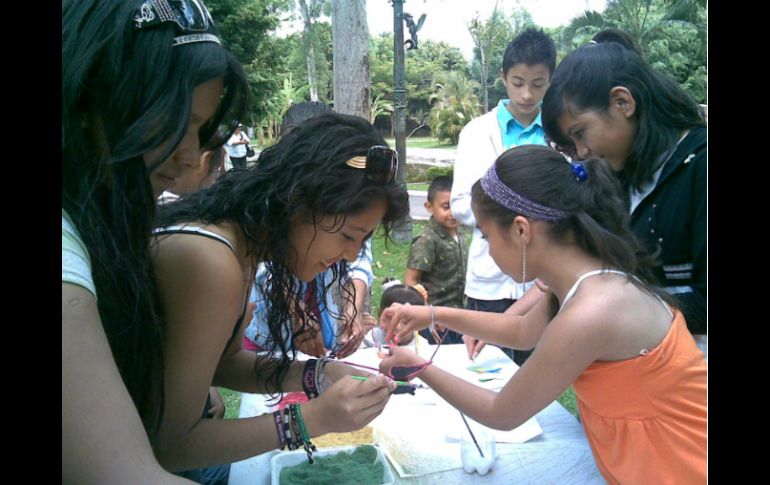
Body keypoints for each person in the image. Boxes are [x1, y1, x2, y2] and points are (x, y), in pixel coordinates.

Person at [380, 145, 707, 484]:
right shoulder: (583, 280)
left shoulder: (593, 311)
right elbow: (522, 330)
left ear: (521, 230)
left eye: (486, 234)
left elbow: (503, 412)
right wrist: (432, 314)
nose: (487, 248)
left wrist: (418, 366)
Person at [151, 113, 407, 473]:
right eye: (348, 236)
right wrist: (311, 419)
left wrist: (317, 373)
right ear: (297, 202)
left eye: (361, 241)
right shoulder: (211, 260)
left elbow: (220, 365)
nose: (350, 255)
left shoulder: (239, 250)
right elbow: (171, 445)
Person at [62, 0, 249, 482]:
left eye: (201, 130)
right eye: (175, 122)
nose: (190, 157)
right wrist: (303, 421)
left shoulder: (106, 219)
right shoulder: (213, 259)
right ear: (91, 97)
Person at [541, 29, 707, 355]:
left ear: (623, 102)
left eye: (580, 133)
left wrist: (610, 304)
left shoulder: (699, 166)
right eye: (571, 144)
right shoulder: (625, 177)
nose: (582, 151)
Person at [450, 28, 557, 365]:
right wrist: (510, 222)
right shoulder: (477, 133)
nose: (526, 94)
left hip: (545, 278)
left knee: (537, 374)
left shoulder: (559, 133)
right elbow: (460, 203)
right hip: (490, 280)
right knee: (485, 368)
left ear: (551, 79)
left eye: (538, 84)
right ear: (503, 78)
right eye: (518, 82)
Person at [405, 175, 466, 344]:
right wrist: (428, 316)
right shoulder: (427, 239)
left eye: (456, 206)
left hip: (458, 318)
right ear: (429, 207)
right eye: (446, 207)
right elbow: (411, 280)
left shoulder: (459, 233)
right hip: (436, 323)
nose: (452, 213)